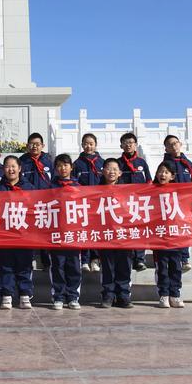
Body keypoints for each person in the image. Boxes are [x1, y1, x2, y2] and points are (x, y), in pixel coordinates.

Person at [0, 155, 35, 310]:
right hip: (4, 234)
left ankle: (25, 294)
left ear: (20, 168)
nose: (10, 169)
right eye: (7, 166)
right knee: (5, 265)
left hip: (24, 234)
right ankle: (7, 294)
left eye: (13, 166)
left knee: (24, 264)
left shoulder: (29, 188)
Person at [98, 158, 133, 308]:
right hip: (105, 234)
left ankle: (123, 295)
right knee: (107, 266)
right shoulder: (95, 191)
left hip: (123, 235)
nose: (111, 172)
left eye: (114, 169)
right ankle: (108, 295)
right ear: (103, 171)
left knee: (124, 266)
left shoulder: (128, 190)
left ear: (119, 173)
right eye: (108, 168)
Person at [49, 154, 82, 310]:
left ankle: (73, 296)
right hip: (56, 232)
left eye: (66, 165)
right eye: (60, 165)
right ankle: (59, 296)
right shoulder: (50, 186)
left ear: (71, 167)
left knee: (73, 265)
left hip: (73, 232)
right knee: (58, 265)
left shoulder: (79, 186)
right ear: (56, 168)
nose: (63, 168)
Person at [118, 132, 152, 272]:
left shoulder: (141, 163)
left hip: (139, 203)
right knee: (125, 231)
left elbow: (149, 181)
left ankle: (139, 259)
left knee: (139, 231)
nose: (128, 145)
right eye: (125, 142)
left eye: (131, 142)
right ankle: (128, 257)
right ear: (121, 145)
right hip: (123, 204)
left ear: (135, 144)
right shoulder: (118, 163)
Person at [153, 161, 185, 308]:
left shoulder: (180, 192)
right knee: (162, 267)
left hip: (175, 236)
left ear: (172, 176)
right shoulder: (150, 192)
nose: (162, 174)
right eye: (160, 171)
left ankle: (175, 294)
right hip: (159, 237)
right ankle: (164, 294)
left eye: (166, 172)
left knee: (176, 267)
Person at [20, 133, 53, 270]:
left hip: (46, 203)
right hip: (28, 203)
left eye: (37, 144)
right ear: (27, 146)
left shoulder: (49, 161)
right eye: (32, 144)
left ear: (42, 146)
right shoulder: (22, 161)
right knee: (29, 231)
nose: (34, 146)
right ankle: (31, 258)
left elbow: (54, 180)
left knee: (46, 231)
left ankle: (46, 261)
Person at [163, 134, 192, 271]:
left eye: (175, 143)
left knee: (185, 230)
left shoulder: (188, 163)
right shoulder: (165, 165)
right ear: (166, 149)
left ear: (180, 144)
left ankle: (185, 258)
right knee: (176, 231)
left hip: (186, 203)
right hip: (172, 204)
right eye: (170, 144)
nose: (174, 146)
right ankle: (178, 257)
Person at [73, 133, 104, 273]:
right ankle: (84, 259)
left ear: (95, 145)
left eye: (91, 143)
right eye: (85, 143)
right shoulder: (77, 164)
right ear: (82, 145)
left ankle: (95, 259)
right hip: (83, 204)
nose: (88, 146)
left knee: (97, 231)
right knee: (84, 231)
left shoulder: (102, 163)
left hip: (98, 203)